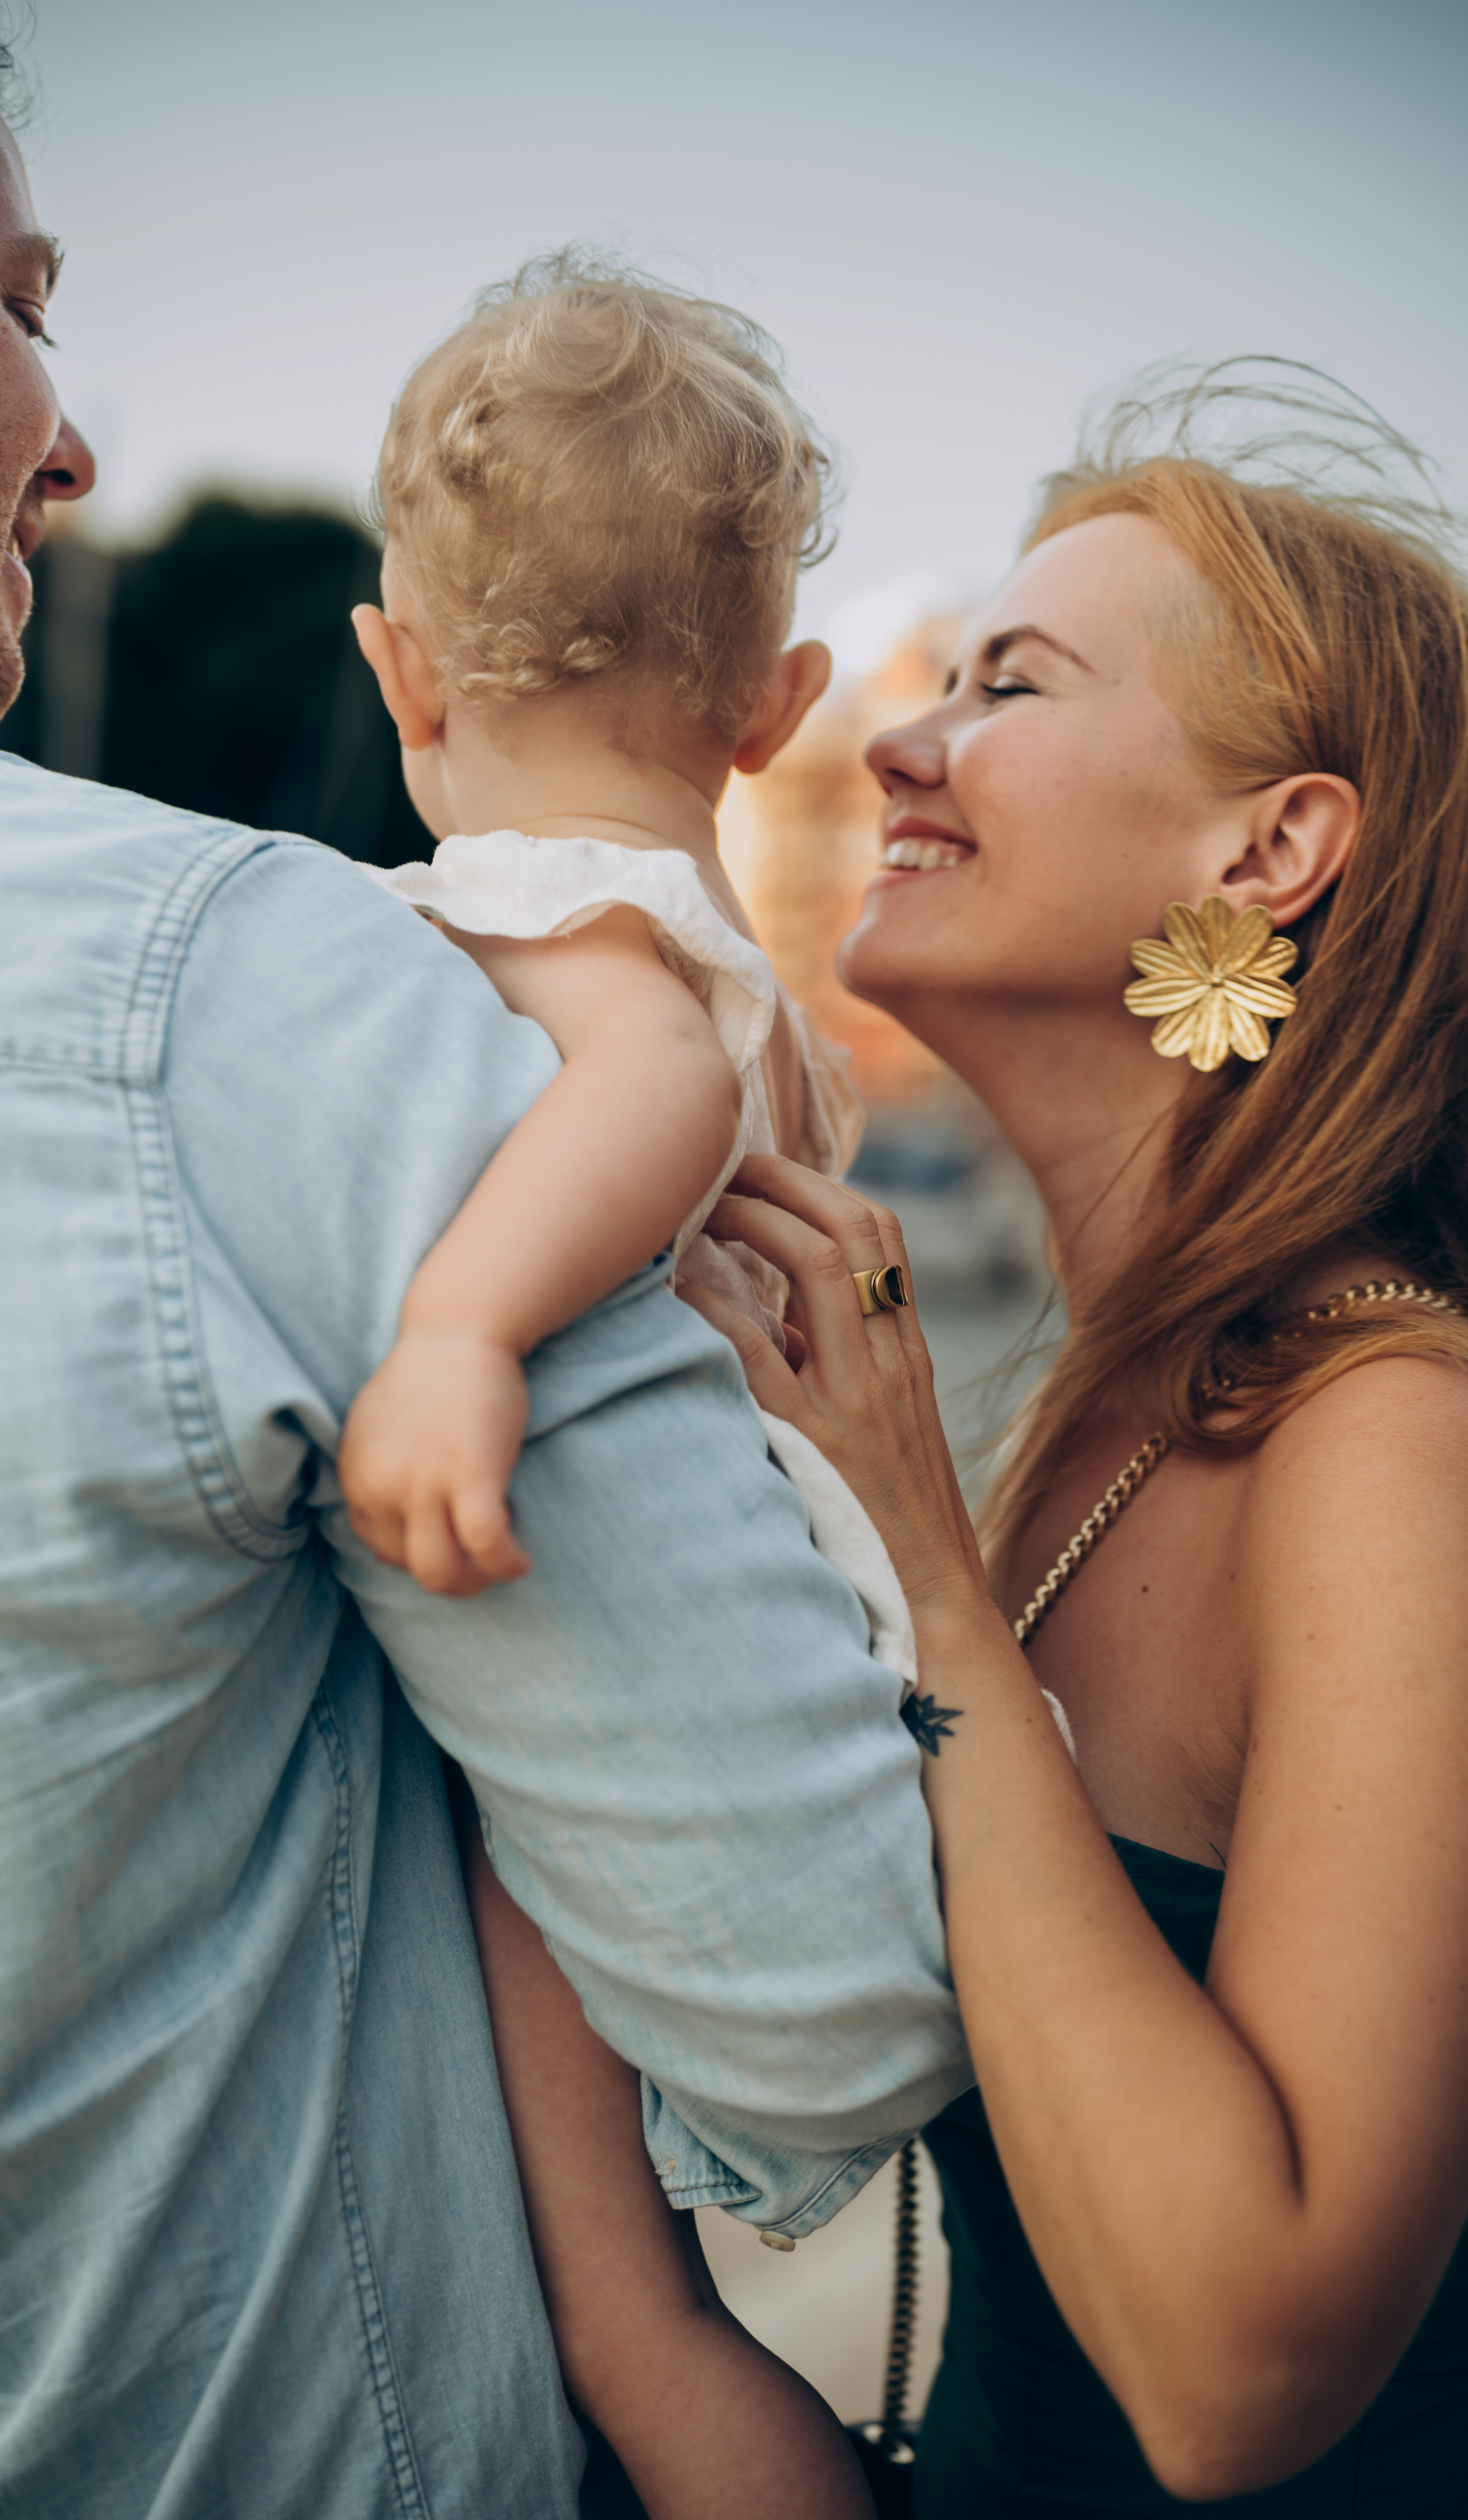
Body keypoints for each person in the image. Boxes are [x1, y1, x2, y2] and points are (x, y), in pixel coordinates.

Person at [0, 3, 971, 2517]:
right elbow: (824, 2002)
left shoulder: (378, 947)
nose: (73, 430)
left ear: (401, 674)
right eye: (22, 298)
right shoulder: (222, 988)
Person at [690, 376, 1468, 2513]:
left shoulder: (1386, 1440)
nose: (896, 742)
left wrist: (928, 1572)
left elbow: (1241, 2374)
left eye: (1007, 685)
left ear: (1271, 849)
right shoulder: (1121, 1395)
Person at [340, 260, 908, 2519]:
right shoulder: (699, 931)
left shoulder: (561, 925)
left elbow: (640, 1085)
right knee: (644, 2313)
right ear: (777, 705)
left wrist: (463, 1336)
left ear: (401, 664)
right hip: (781, 1641)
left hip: (620, 1657)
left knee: (622, 2314)